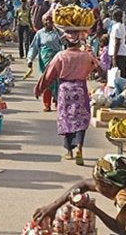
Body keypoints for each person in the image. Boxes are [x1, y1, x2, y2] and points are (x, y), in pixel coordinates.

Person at [35, 31, 98, 165]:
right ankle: (79, 147)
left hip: (65, 90)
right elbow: (96, 66)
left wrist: (40, 88)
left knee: (67, 119)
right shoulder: (85, 55)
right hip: (80, 89)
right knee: (81, 119)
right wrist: (90, 56)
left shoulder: (61, 55)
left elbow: (49, 74)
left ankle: (69, 151)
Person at [27, 14, 63, 112]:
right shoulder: (39, 34)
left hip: (57, 61)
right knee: (46, 82)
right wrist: (30, 59)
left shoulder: (58, 33)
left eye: (51, 20)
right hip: (44, 61)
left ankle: (57, 102)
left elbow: (65, 42)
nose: (49, 22)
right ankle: (47, 104)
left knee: (57, 82)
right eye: (47, 20)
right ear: (43, 22)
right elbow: (33, 47)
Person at [109, 9, 126, 78]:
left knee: (118, 76)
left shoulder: (117, 27)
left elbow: (117, 42)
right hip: (120, 53)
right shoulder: (121, 25)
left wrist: (114, 57)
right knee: (121, 74)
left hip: (118, 53)